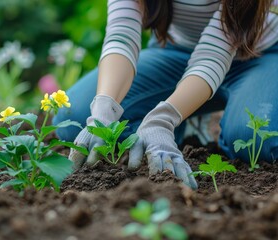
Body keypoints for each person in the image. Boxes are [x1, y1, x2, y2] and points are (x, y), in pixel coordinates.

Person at [53, 0, 278, 189]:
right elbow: (121, 33)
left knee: (256, 141)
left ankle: (181, 115)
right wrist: (104, 109)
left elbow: (213, 54)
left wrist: (163, 119)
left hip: (259, 56)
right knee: (74, 119)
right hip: (175, 52)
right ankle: (185, 123)